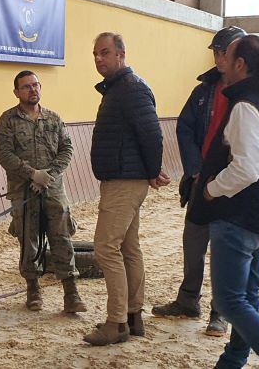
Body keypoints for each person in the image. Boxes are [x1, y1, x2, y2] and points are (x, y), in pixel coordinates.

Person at [152, 26, 247, 337]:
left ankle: (220, 312)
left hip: (233, 184)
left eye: (225, 51)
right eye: (216, 52)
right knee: (193, 242)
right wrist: (194, 169)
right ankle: (188, 299)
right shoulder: (203, 91)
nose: (219, 57)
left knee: (223, 247)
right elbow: (185, 129)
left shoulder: (251, 94)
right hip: (200, 180)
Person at [83, 32, 170, 346]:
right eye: (95, 54)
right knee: (128, 249)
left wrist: (150, 172)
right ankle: (133, 317)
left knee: (105, 248)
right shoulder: (119, 89)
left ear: (121, 54)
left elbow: (153, 135)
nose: (99, 59)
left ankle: (116, 322)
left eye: (104, 52)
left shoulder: (130, 89)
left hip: (123, 180)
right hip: (123, 177)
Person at [187, 35, 259, 368]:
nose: (220, 62)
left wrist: (211, 189)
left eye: (226, 55)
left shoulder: (245, 105)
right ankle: (233, 359)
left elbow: (248, 166)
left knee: (230, 301)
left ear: (240, 64)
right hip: (257, 216)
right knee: (246, 296)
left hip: (237, 216)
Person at [0, 70, 86, 314]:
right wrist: (31, 174)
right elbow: (5, 154)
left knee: (62, 238)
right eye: (26, 86)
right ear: (17, 92)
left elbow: (66, 148)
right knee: (28, 240)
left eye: (35, 85)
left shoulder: (54, 119)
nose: (32, 89)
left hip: (54, 191)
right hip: (23, 192)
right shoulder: (7, 121)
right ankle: (33, 289)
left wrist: (49, 175)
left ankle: (71, 292)